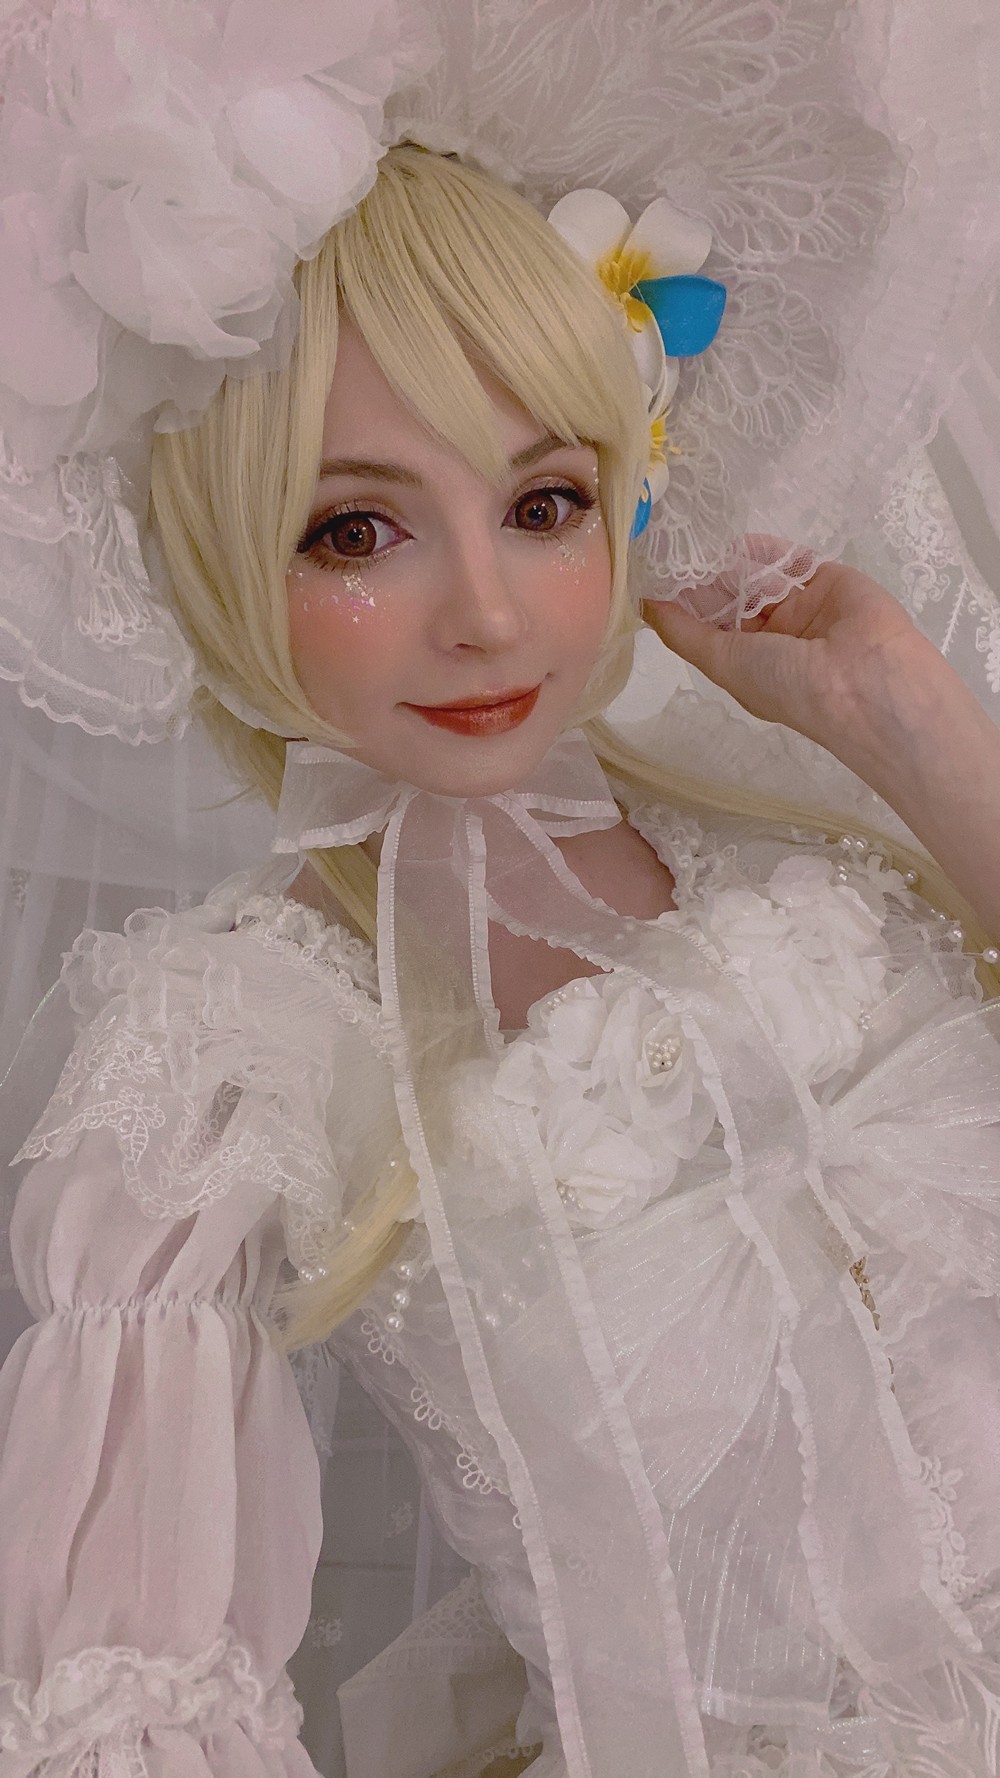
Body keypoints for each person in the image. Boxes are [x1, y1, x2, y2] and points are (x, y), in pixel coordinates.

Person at [0, 7, 999, 1776]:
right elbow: (127, 1702)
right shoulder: (241, 1037)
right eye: (355, 530)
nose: (483, 612)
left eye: (544, 501)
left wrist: (918, 731)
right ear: (223, 556)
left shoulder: (805, 830)